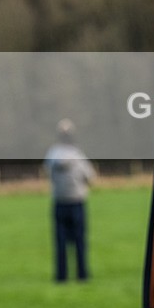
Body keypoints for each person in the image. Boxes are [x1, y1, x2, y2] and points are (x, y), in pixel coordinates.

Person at [44, 118, 95, 282]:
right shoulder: (77, 154)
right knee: (80, 240)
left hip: (59, 201)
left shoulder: (52, 155)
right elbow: (90, 176)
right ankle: (82, 274)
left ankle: (61, 275)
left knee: (60, 242)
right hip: (76, 201)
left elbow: (47, 173)